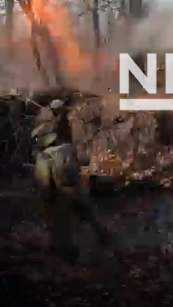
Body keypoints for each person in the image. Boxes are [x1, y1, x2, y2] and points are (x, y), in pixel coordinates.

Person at [31, 98, 112, 261]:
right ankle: (104, 243)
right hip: (74, 190)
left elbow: (45, 183)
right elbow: (80, 163)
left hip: (59, 195)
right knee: (88, 217)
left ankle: (69, 257)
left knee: (62, 228)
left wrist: (46, 199)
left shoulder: (44, 156)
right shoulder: (67, 148)